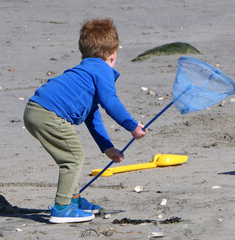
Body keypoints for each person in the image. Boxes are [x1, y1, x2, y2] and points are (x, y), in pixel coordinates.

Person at [23, 18, 147, 224]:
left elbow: (92, 115)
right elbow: (111, 103)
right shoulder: (102, 70)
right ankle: (61, 208)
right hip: (48, 113)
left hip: (34, 111)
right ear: (113, 54)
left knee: (69, 156)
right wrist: (132, 126)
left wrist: (107, 147)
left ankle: (74, 200)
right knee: (72, 157)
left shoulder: (84, 71)